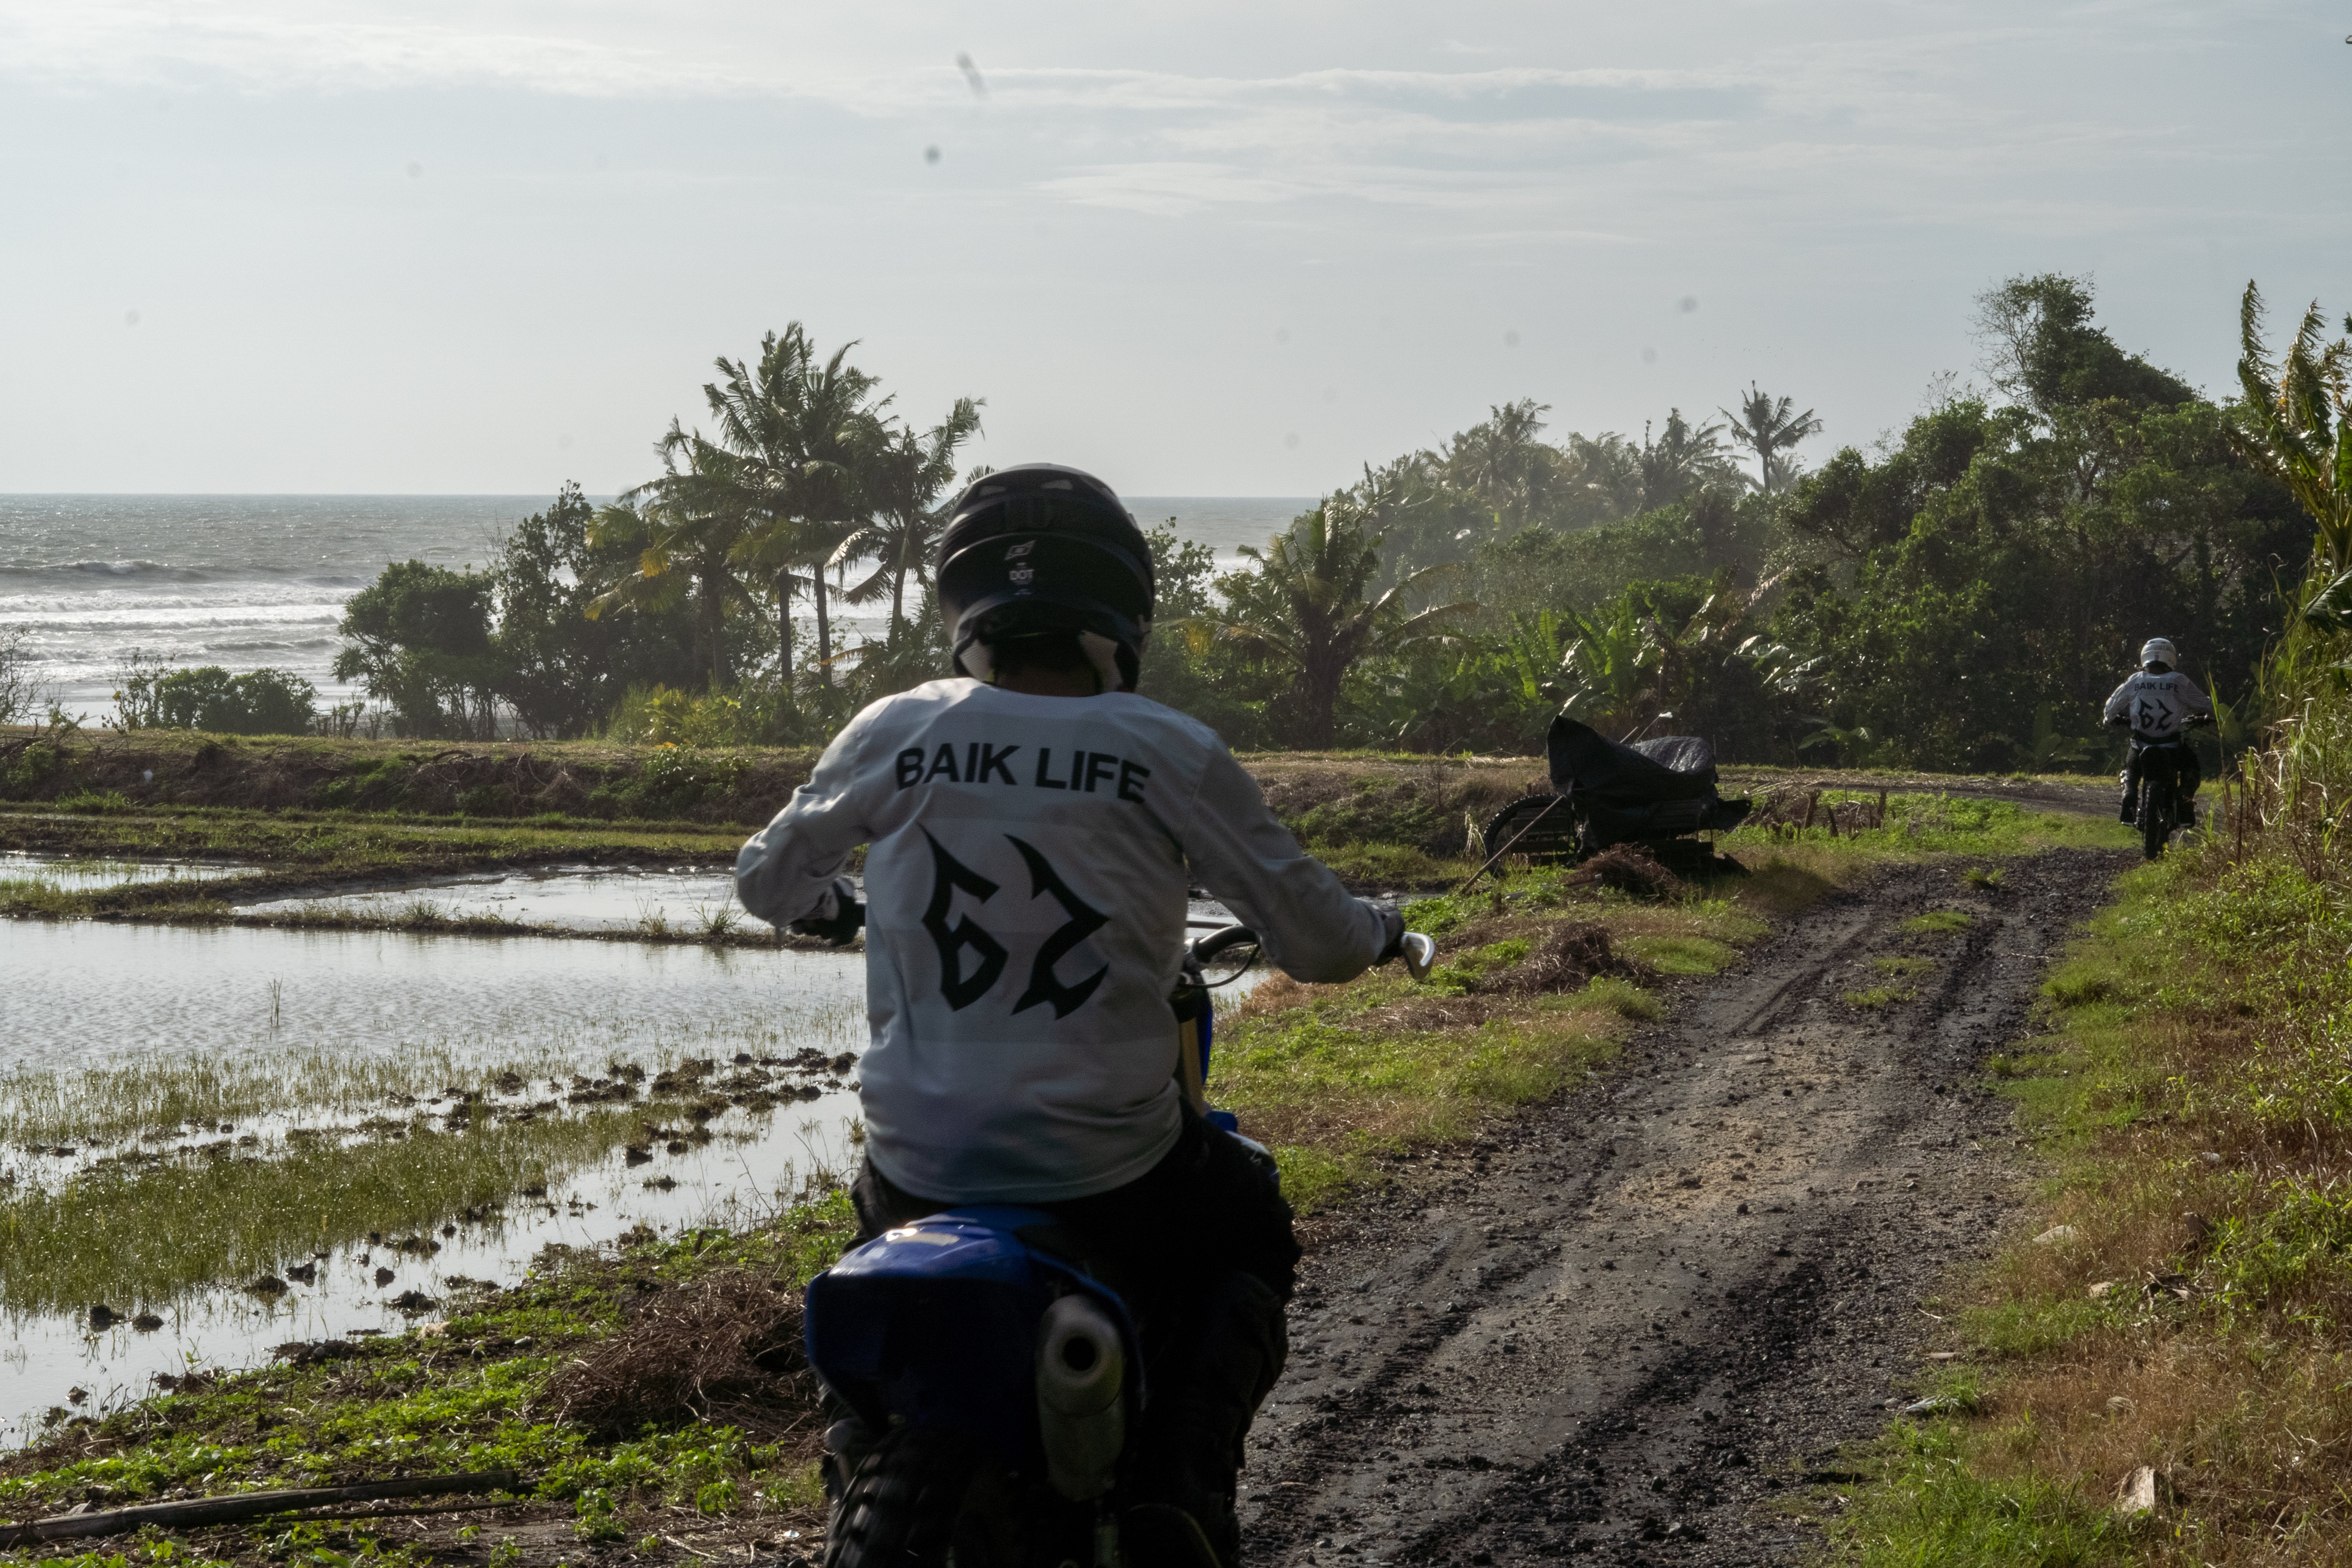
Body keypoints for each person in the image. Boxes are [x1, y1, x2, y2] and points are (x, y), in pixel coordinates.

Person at [734, 464, 1405, 1567]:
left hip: (922, 1161)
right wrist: (1379, 930)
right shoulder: (1165, 746)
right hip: (1110, 1169)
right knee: (1248, 1229)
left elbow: (767, 881)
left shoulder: (898, 727)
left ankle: (859, 1447)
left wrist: (829, 909)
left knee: (872, 1228)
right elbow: (1322, 940)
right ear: (1122, 613)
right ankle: (1181, 1496)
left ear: (964, 610)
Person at [2103, 637, 2213, 824]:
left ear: (2145, 657)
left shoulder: (2136, 680)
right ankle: (2185, 801)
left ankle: (2129, 795)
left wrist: (2111, 719)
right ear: (2171, 658)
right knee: (2191, 768)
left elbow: (2111, 707)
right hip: (2172, 745)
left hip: (2141, 742)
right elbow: (2205, 704)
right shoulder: (2179, 681)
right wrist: (2210, 717)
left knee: (2131, 769)